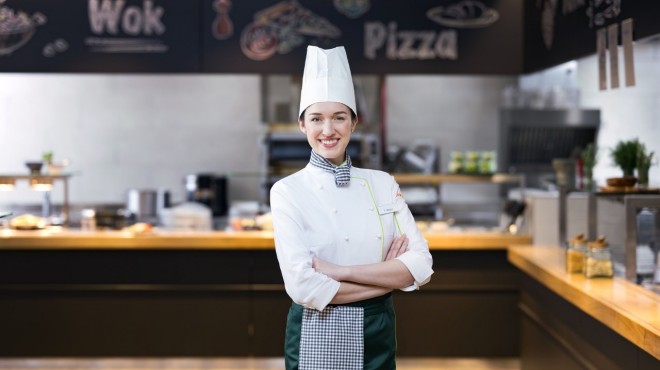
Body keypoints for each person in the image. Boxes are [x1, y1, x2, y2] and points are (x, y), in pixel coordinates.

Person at [270, 45, 434, 370]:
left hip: (377, 329)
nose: (328, 130)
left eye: (339, 118)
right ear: (303, 124)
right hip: (318, 331)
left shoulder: (382, 182)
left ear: (354, 123)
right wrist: (388, 277)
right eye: (317, 119)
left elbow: (421, 266)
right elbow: (303, 286)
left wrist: (339, 272)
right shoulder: (287, 190)